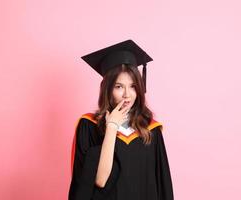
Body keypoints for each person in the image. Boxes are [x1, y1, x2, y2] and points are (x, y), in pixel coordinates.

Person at [68, 40, 174, 200]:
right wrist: (111, 126)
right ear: (108, 90)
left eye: (132, 86)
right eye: (119, 86)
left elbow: (162, 185)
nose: (127, 94)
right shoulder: (89, 126)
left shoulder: (151, 129)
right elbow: (99, 181)